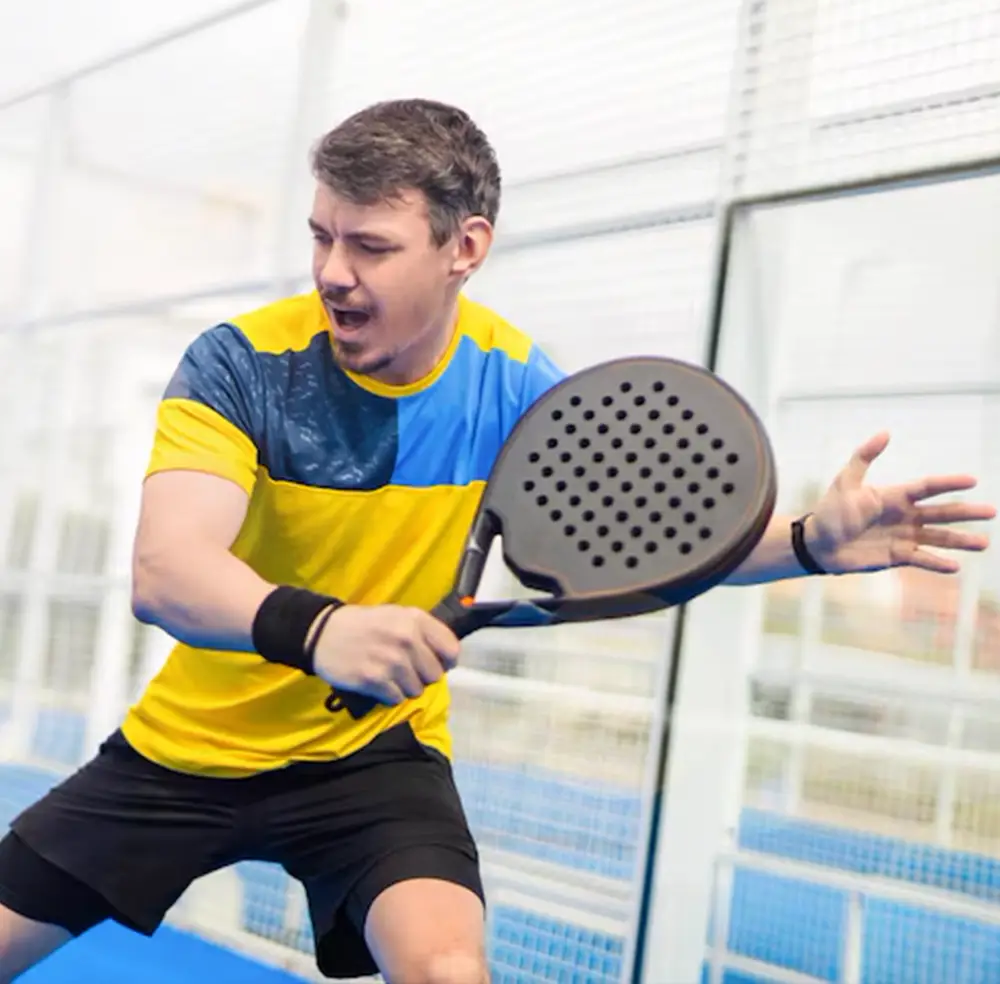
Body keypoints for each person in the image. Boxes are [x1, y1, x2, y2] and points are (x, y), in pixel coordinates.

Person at [0, 98, 992, 984]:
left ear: (464, 247)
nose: (334, 272)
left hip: (372, 757)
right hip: (185, 753)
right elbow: (168, 571)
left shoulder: (515, 382)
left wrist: (811, 541)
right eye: (322, 237)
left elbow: (659, 539)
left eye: (371, 246)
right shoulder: (241, 363)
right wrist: (326, 630)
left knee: (447, 968)